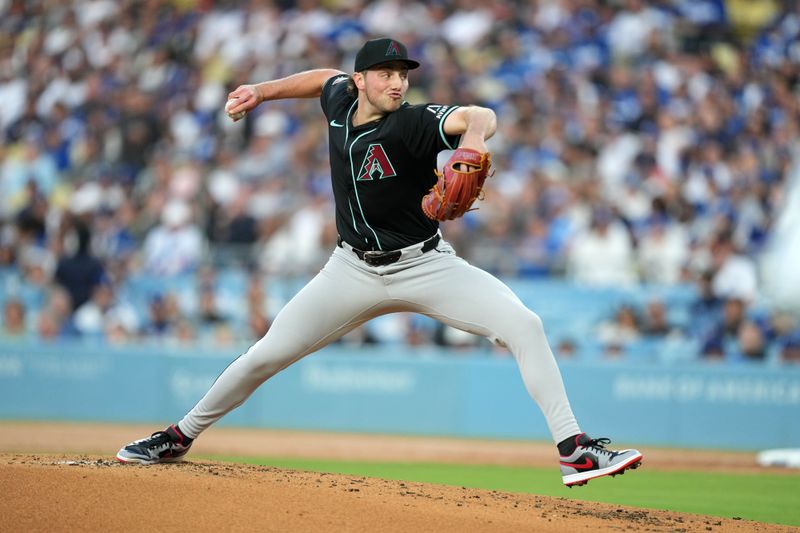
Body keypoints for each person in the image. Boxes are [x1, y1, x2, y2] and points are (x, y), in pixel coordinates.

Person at [116, 38, 642, 487]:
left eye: (403, 74)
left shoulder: (412, 124)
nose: (397, 83)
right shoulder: (341, 101)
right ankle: (178, 436)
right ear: (360, 80)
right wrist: (262, 92)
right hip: (350, 271)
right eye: (386, 74)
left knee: (524, 324)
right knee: (264, 356)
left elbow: (480, 116)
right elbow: (322, 77)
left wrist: (475, 139)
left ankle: (573, 449)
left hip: (425, 265)